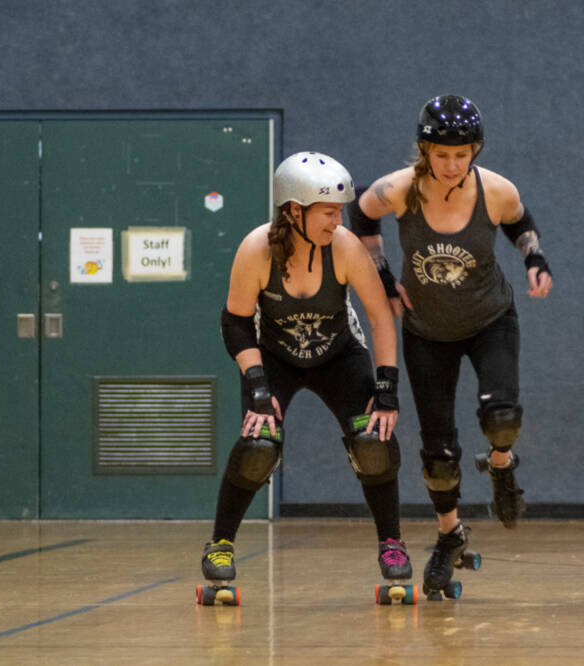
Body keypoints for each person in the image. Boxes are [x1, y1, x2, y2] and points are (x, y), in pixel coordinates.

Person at [347, 95, 553, 596]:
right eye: (442, 155)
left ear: (474, 151)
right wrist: (382, 273)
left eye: (462, 155)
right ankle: (450, 535)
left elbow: (520, 223)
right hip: (427, 331)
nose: (452, 164)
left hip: (489, 321)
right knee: (438, 455)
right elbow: (361, 212)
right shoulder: (400, 188)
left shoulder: (496, 190)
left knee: (501, 418)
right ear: (425, 150)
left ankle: (501, 464)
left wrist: (535, 259)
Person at [201, 151, 411, 592]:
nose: (338, 221)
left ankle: (392, 543)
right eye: (329, 212)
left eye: (340, 212)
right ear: (294, 211)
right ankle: (220, 544)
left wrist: (387, 389)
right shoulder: (257, 249)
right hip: (273, 358)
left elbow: (379, 318)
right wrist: (258, 388)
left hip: (339, 356)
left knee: (373, 441)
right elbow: (236, 324)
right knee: (258, 445)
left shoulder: (345, 247)